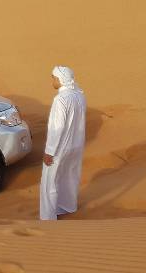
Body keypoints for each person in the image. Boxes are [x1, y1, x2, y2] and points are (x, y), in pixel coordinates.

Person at [40, 66, 86, 220]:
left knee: (50, 182)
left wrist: (49, 151)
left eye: (53, 78)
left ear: (60, 80)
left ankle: (48, 217)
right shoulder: (79, 95)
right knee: (69, 176)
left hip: (60, 148)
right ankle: (67, 206)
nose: (52, 80)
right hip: (76, 145)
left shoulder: (61, 100)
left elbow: (57, 128)